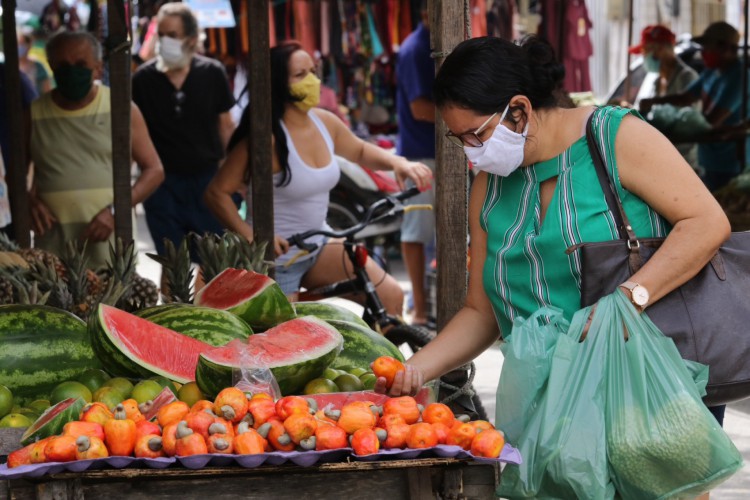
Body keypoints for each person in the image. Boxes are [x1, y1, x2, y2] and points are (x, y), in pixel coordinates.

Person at [378, 36, 730, 437]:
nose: (472, 152)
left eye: (477, 134)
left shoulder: (615, 137)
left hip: (654, 384)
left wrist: (630, 299)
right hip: (556, 408)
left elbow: (705, 222)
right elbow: (481, 312)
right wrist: (415, 370)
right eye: (461, 140)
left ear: (519, 109)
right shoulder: (488, 188)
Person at [204, 41, 432, 317]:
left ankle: (383, 361)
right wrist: (253, 237)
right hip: (277, 259)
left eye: (313, 72)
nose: (312, 80)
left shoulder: (325, 122)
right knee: (287, 342)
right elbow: (216, 193)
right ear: (278, 83)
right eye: (300, 75)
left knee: (390, 297)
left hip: (319, 244)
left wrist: (398, 162)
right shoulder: (266, 138)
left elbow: (359, 150)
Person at [29, 31, 164, 267]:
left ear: (98, 68)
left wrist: (115, 211)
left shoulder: (121, 109)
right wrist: (29, 200)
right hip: (51, 253)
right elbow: (15, 172)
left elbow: (154, 170)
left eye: (81, 64)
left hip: (109, 250)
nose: (72, 71)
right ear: (51, 67)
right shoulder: (32, 113)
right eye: (62, 65)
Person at [132, 2, 236, 286]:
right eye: (161, 34)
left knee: (211, 263)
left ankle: (206, 322)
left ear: (191, 38)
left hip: (207, 182)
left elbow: (226, 126)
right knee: (171, 262)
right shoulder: (143, 79)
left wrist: (233, 178)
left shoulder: (211, 72)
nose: (165, 41)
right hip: (162, 186)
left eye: (173, 34)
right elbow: (132, 135)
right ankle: (171, 320)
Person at [640, 22, 749, 191]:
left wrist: (674, 128)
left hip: (730, 162)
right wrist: (653, 102)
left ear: (726, 48)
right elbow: (686, 97)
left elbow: (712, 122)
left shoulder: (739, 77)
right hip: (707, 159)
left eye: (709, 48)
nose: (704, 53)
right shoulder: (712, 71)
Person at [396, 1, 436, 327]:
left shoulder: (435, 46)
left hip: (441, 153)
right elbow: (420, 108)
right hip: (421, 156)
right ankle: (419, 310)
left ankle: (427, 304)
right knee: (416, 233)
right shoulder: (415, 49)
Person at [628, 25, 699, 168]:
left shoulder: (687, 78)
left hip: (683, 160)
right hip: (661, 156)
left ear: (659, 50)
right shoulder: (656, 81)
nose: (644, 57)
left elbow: (690, 121)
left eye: (645, 51)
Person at [17, 30, 53, 96]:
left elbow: (47, 90)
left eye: (22, 44)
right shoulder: (8, 67)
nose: (19, 47)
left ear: (29, 46)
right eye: (18, 44)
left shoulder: (39, 67)